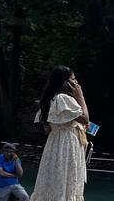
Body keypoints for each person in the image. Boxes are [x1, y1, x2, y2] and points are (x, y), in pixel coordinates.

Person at [31, 65, 88, 201]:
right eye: (73, 79)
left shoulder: (51, 99)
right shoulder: (63, 98)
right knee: (66, 181)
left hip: (55, 143)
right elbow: (85, 118)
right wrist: (81, 97)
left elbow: (47, 129)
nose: (76, 82)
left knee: (54, 181)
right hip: (68, 143)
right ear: (65, 82)